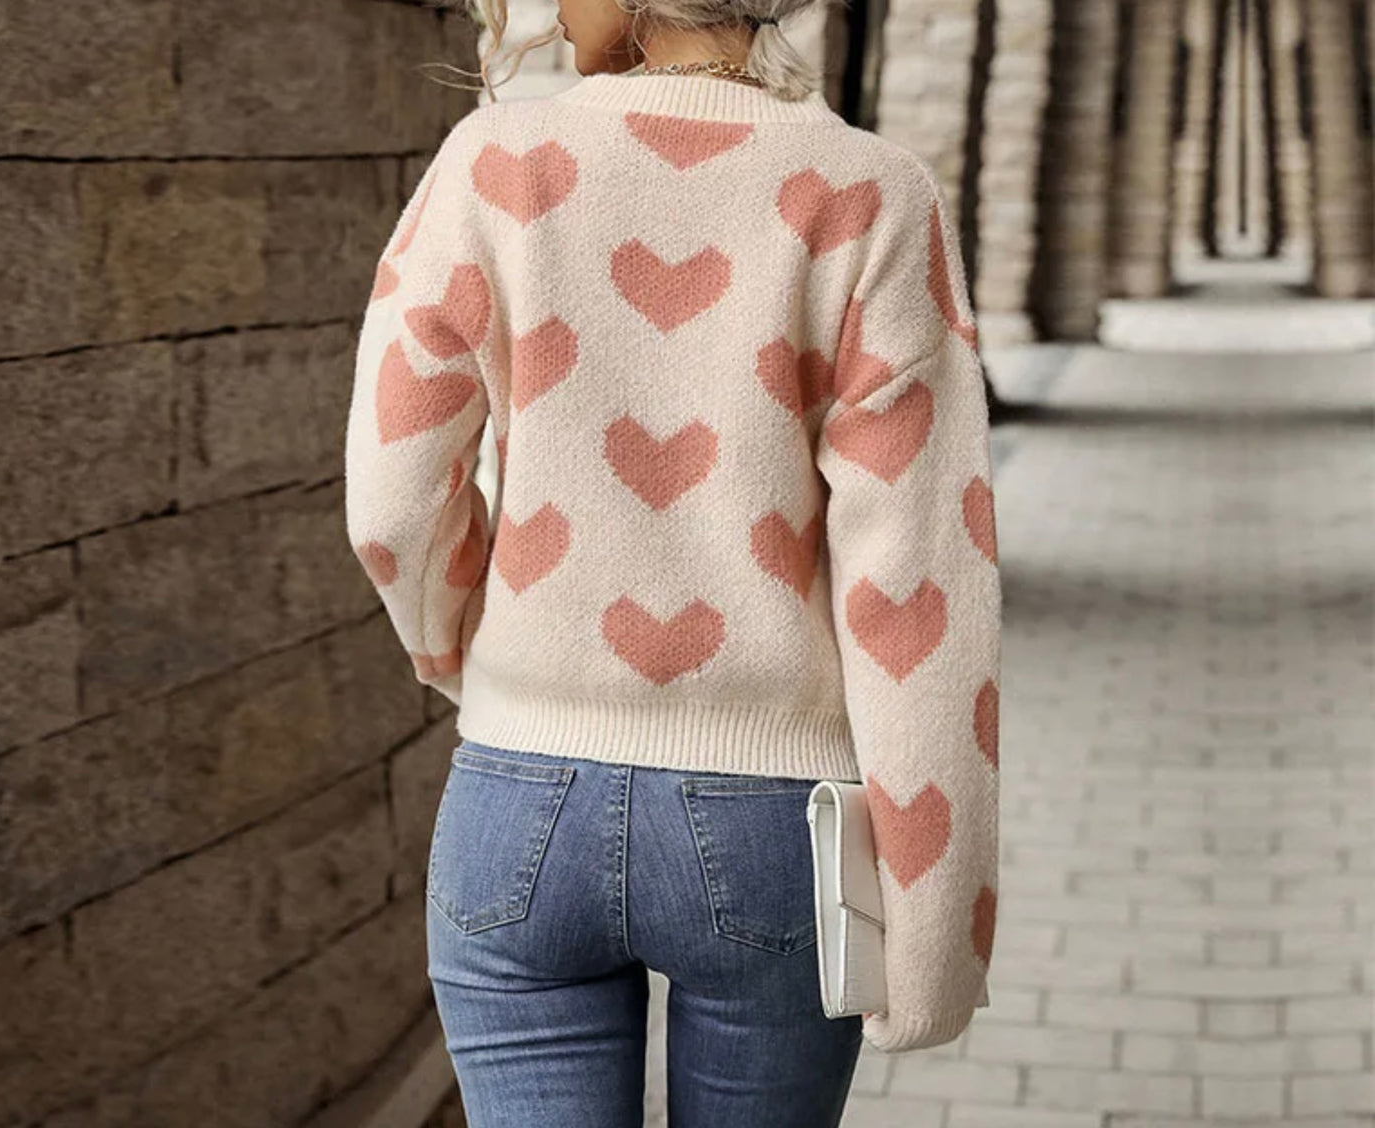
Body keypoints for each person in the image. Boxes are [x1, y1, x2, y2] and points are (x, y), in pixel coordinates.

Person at [343, 0, 1002, 1122]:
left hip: (516, 800)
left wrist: (461, 650)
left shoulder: (490, 163)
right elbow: (916, 582)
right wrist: (935, 927)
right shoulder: (870, 191)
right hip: (773, 826)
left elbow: (394, 500)